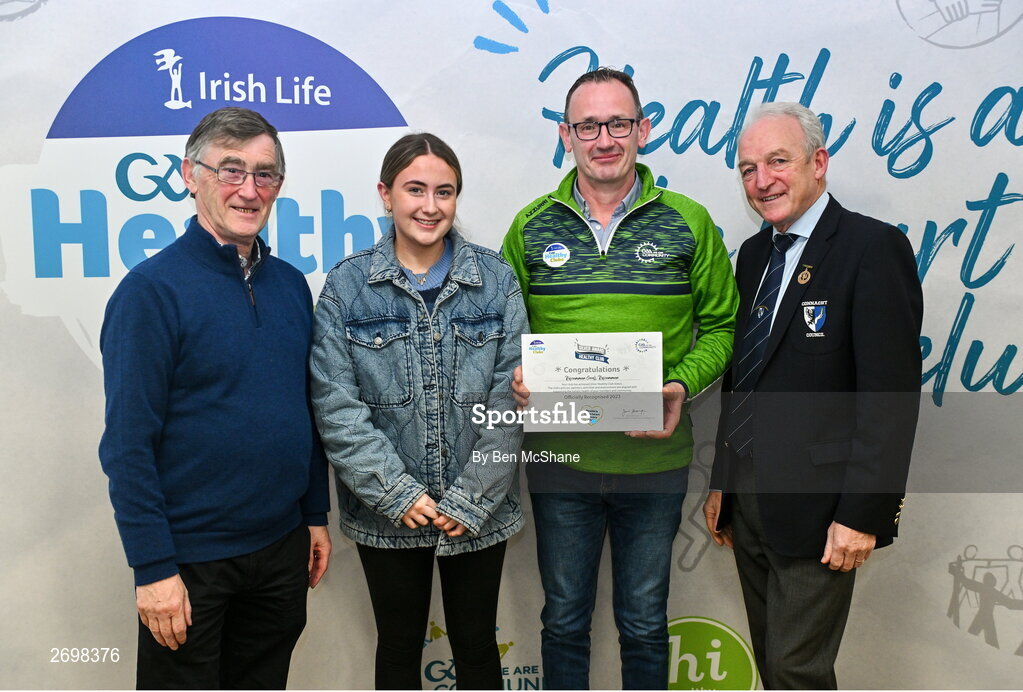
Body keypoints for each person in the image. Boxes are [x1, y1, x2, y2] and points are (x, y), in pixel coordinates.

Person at [501, 68, 738, 689]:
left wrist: (680, 387)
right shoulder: (529, 228)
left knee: (642, 623)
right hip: (560, 460)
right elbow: (502, 336)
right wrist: (520, 380)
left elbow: (721, 329)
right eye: (588, 126)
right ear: (566, 135)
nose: (604, 139)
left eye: (618, 123)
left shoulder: (689, 221)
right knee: (563, 622)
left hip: (654, 467)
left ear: (643, 130)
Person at [98, 106, 331, 689]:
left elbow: (301, 409)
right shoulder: (150, 293)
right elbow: (128, 446)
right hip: (190, 562)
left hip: (281, 552)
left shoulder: (290, 287)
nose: (249, 190)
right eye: (230, 170)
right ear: (189, 174)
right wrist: (152, 569)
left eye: (265, 173)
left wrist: (313, 515)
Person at [703, 102, 923, 689]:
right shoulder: (753, 256)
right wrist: (723, 479)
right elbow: (745, 376)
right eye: (748, 168)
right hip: (748, 504)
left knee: (798, 671)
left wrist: (862, 514)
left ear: (819, 162)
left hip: (822, 511)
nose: (761, 180)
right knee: (775, 668)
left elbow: (890, 398)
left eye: (777, 161)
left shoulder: (873, 249)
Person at [310, 133, 528, 690]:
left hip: (478, 508)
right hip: (387, 510)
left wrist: (473, 496)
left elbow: (513, 397)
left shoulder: (496, 280)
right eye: (415, 189)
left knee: (477, 645)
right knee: (399, 647)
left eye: (444, 191)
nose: (430, 206)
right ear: (386, 195)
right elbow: (336, 405)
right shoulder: (348, 286)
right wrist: (398, 494)